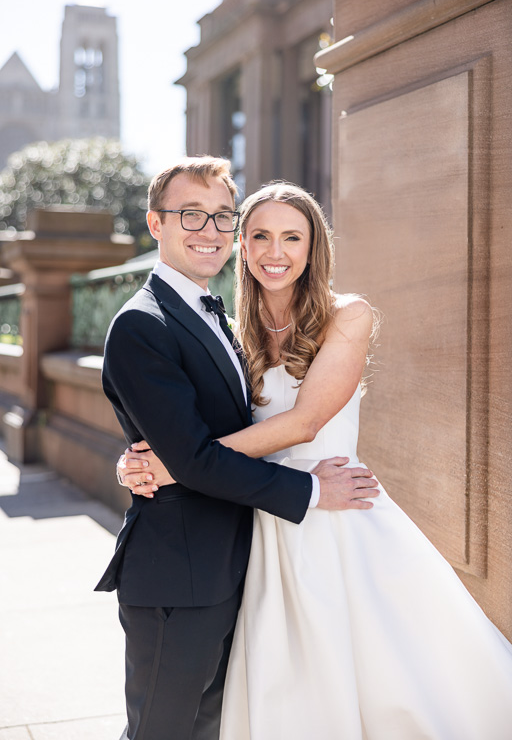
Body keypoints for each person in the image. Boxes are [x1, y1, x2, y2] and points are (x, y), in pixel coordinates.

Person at [121, 181, 512, 740]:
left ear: (313, 248)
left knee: (380, 682)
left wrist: (178, 463)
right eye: (259, 236)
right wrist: (136, 459)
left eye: (291, 238)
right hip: (260, 523)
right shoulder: (233, 332)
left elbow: (304, 423)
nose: (275, 252)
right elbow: (188, 422)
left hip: (336, 518)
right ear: (242, 245)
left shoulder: (347, 315)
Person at [96, 157, 381, 740]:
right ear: (155, 223)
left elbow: (220, 435)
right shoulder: (142, 324)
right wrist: (162, 464)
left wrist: (166, 464)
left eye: (221, 216)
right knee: (160, 729)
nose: (208, 230)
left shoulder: (224, 320)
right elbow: (192, 449)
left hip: (244, 556)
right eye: (190, 214)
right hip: (182, 571)